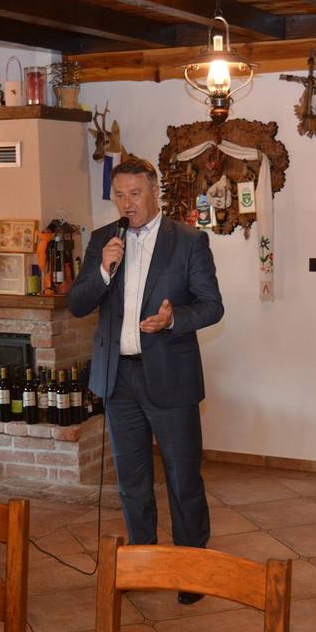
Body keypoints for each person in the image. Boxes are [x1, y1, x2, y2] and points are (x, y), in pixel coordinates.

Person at [67, 157, 224, 606]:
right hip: (119, 378)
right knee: (132, 480)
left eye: (135, 194)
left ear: (155, 192)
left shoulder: (189, 240)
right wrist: (103, 270)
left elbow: (212, 306)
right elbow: (77, 304)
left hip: (171, 376)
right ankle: (143, 565)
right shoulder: (104, 240)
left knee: (182, 477)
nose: (127, 203)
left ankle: (191, 571)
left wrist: (174, 319)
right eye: (119, 195)